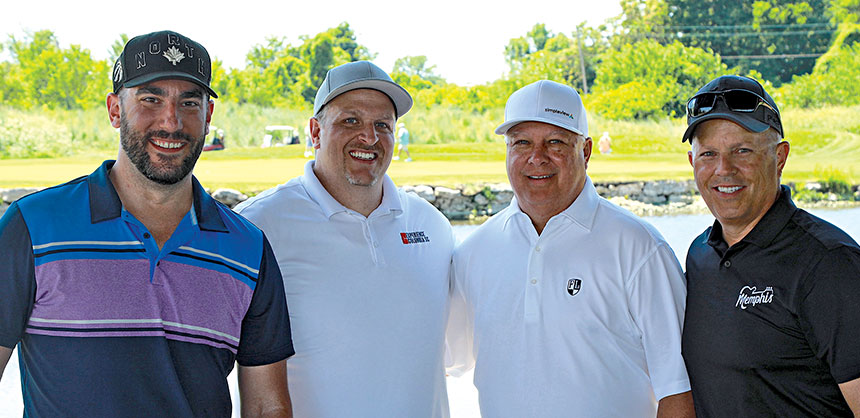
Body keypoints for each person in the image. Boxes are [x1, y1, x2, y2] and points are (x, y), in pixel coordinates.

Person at [0, 31, 294, 417]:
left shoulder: (249, 249)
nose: (171, 121)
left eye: (189, 102)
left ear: (207, 117)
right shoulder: (32, 226)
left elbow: (266, 407)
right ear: (115, 110)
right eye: (151, 99)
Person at [446, 80, 694, 417]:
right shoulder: (472, 252)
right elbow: (449, 360)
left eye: (555, 143)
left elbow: (678, 390)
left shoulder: (640, 248)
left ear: (586, 151)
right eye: (521, 142)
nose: (537, 157)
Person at [234, 61, 454, 418]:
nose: (369, 137)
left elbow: (453, 354)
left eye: (383, 124)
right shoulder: (257, 226)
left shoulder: (433, 226)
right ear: (315, 132)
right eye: (350, 120)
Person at [681, 75, 860, 417]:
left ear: (780, 157)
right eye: (708, 154)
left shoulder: (830, 263)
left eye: (742, 150)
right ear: (692, 164)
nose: (724, 169)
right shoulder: (699, 255)